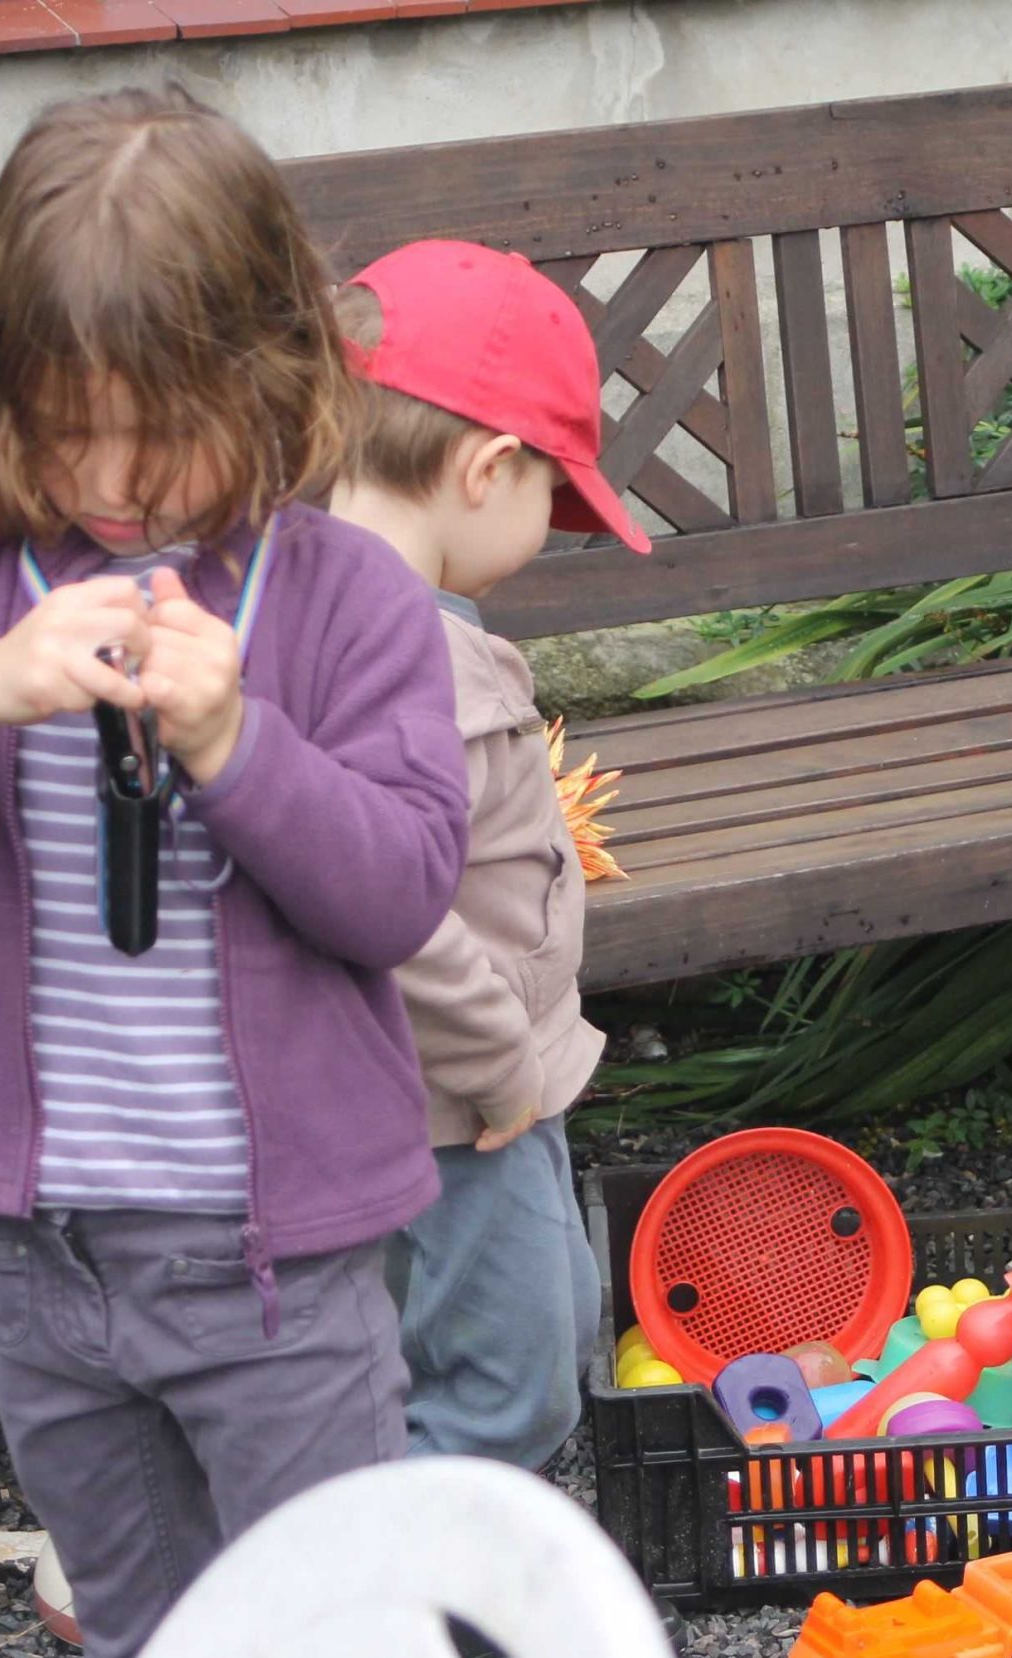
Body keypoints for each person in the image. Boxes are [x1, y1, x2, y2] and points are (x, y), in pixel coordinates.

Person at [0, 88, 469, 1658]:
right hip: (40, 1260)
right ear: (6, 396)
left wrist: (236, 742)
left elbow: (403, 890)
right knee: (150, 1647)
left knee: (338, 1644)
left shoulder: (346, 598)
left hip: (274, 1274)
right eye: (71, 428)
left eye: (163, 429)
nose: (117, 479)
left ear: (273, 379)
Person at [328, 240, 642, 1465]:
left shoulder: (314, 609)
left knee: (508, 1331)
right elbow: (388, 908)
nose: (544, 534)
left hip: (449, 1086)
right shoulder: (421, 662)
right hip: (461, 1101)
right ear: (485, 469)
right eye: (548, 501)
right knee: (507, 1392)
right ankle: (386, 1567)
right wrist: (503, 1067)